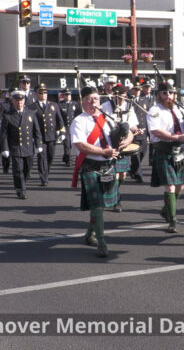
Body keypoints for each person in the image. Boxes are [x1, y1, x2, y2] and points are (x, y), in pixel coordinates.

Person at [71, 85, 132, 258]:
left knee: (100, 206)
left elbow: (130, 135)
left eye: (96, 99)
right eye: (89, 99)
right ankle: (102, 243)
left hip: (108, 167)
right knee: (97, 206)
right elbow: (81, 145)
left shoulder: (109, 118)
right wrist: (104, 152)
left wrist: (126, 139)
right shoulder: (79, 121)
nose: (93, 102)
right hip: (90, 166)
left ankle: (89, 234)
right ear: (82, 102)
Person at [147, 80, 184, 233]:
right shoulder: (154, 110)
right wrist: (176, 137)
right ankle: (172, 220)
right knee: (170, 186)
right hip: (164, 149)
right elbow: (156, 131)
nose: (168, 95)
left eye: (171, 92)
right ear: (159, 94)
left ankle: (166, 208)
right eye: (164, 93)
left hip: (181, 150)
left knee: (180, 186)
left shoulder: (180, 109)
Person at [101, 82, 139, 212]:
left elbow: (132, 125)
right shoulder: (105, 106)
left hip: (124, 144)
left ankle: (114, 192)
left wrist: (136, 130)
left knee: (122, 175)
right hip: (110, 142)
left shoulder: (129, 106)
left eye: (123, 94)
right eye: (119, 95)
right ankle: (117, 200)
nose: (121, 97)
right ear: (114, 94)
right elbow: (101, 123)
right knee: (115, 174)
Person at [0, 90, 41, 199]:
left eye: (21, 101)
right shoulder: (8, 116)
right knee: (18, 169)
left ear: (24, 101)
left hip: (28, 147)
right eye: (17, 101)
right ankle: (20, 189)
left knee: (27, 169)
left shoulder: (31, 113)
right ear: (13, 101)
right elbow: (3, 134)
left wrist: (38, 144)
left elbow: (36, 131)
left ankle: (23, 182)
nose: (19, 103)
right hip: (15, 147)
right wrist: (4, 148)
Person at [31, 83, 65, 187]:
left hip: (51, 136)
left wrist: (62, 131)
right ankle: (43, 178)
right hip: (39, 137)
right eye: (41, 92)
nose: (43, 94)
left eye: (45, 92)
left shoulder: (53, 105)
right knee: (42, 158)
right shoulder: (32, 107)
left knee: (50, 157)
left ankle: (46, 171)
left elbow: (59, 120)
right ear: (37, 94)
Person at [127, 80, 149, 183]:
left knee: (143, 152)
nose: (138, 91)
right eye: (135, 90)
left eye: (139, 90)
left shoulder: (144, 100)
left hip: (143, 131)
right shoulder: (128, 101)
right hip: (134, 132)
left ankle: (132, 169)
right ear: (131, 90)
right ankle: (138, 174)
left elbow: (146, 117)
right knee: (135, 155)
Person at [58, 88, 81, 167]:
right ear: (63, 96)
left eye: (69, 95)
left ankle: (66, 157)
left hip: (74, 126)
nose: (68, 96)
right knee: (67, 144)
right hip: (65, 127)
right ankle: (68, 160)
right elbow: (59, 117)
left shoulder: (75, 104)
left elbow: (79, 115)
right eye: (66, 95)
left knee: (73, 144)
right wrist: (59, 129)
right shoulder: (60, 104)